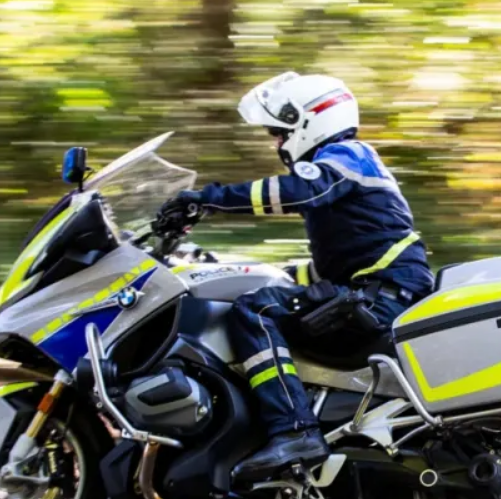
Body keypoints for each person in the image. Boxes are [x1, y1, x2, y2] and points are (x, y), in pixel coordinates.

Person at [159, 72, 434, 481]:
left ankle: (294, 430)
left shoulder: (347, 157)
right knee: (266, 295)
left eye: (278, 132)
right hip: (374, 289)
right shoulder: (343, 177)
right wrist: (219, 265)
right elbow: (328, 268)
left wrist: (207, 200)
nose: (277, 144)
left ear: (310, 121)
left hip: (383, 296)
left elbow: (298, 191)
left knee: (254, 312)